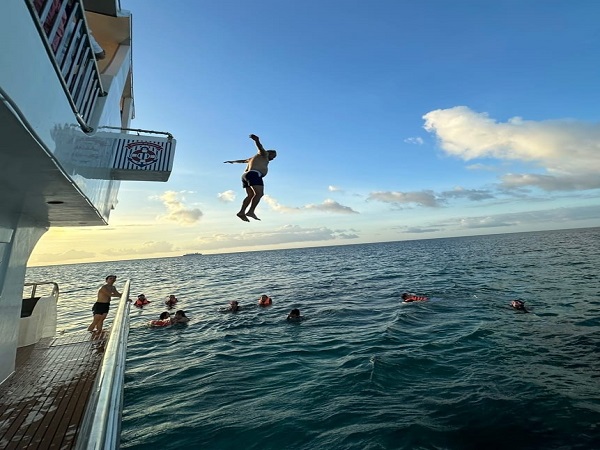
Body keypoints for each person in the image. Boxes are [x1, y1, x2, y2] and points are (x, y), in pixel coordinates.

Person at [224, 134, 277, 222]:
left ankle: (241, 212)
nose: (273, 159)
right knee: (259, 194)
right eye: (273, 156)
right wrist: (256, 140)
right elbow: (260, 148)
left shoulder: (253, 158)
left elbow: (242, 161)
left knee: (251, 195)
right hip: (254, 175)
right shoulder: (264, 154)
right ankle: (251, 212)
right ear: (269, 153)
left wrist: (232, 161)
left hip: (245, 176)